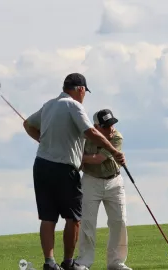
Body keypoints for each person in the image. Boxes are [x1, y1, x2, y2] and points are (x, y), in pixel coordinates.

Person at [23, 73, 126, 270]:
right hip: (64, 169)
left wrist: (43, 140)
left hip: (41, 165)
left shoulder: (49, 105)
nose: (84, 96)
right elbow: (91, 132)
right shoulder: (74, 106)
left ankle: (49, 262)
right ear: (80, 89)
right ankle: (69, 262)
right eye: (84, 92)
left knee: (48, 217)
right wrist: (114, 151)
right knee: (73, 218)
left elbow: (27, 124)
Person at [75, 109, 132, 270]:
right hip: (90, 181)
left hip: (114, 181)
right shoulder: (84, 138)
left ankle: (116, 262)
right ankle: (84, 261)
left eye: (112, 124)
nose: (111, 129)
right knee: (87, 222)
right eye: (106, 126)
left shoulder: (116, 137)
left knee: (119, 221)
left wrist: (76, 156)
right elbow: (81, 163)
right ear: (96, 127)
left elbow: (98, 159)